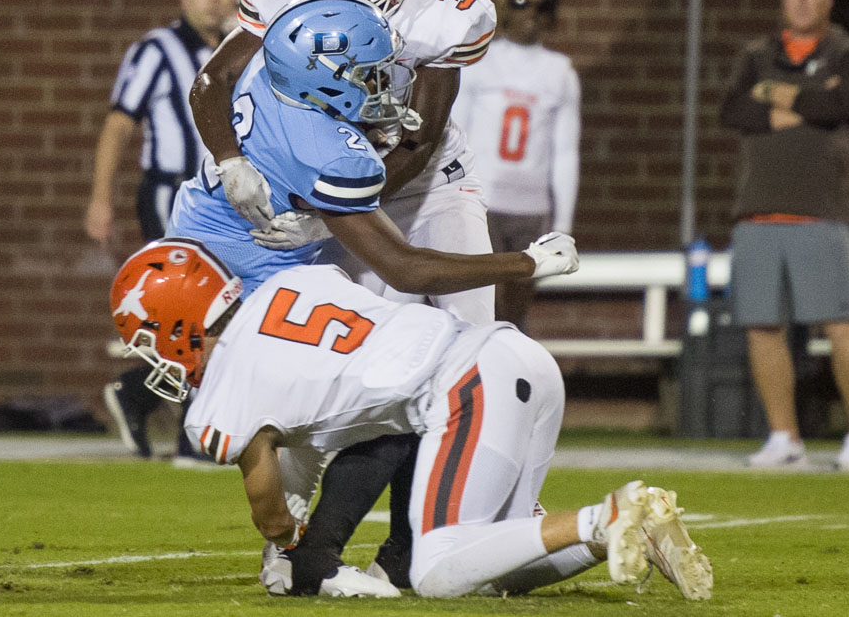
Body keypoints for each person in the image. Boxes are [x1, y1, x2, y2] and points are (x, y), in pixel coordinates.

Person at [187, 0, 497, 594]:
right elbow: (212, 83)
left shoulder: (447, 9)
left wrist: (331, 208)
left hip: (423, 188)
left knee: (475, 357)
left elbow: (417, 143)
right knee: (319, 377)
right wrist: (232, 161)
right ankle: (292, 538)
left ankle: (465, 521)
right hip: (325, 189)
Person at [108, 238, 714, 600]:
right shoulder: (296, 280)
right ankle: (619, 531)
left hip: (464, 389)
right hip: (518, 357)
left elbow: (267, 503)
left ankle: (605, 513)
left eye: (149, 340)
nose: (154, 357)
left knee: (436, 568)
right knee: (489, 562)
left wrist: (291, 545)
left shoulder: (223, 392)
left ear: (178, 324)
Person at [718, 0, 849, 471]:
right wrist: (808, 101)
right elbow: (732, 110)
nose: (802, 0)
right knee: (762, 325)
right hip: (758, 208)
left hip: (821, 208)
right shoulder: (755, 52)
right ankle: (783, 436)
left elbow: (841, 107)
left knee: (840, 321)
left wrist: (774, 96)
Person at [83, 0, 238, 462]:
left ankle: (140, 393)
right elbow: (119, 123)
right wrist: (100, 197)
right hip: (172, 192)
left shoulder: (241, 48)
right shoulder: (157, 49)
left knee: (220, 308)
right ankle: (188, 433)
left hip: (224, 197)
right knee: (194, 308)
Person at [452, 0, 580, 330]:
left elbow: (566, 152)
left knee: (515, 313)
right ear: (506, 6)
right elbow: (456, 131)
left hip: (530, 207)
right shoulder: (481, 59)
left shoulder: (561, 72)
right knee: (479, 303)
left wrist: (563, 223)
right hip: (482, 200)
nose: (531, 14)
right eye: (522, 3)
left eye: (543, 6)